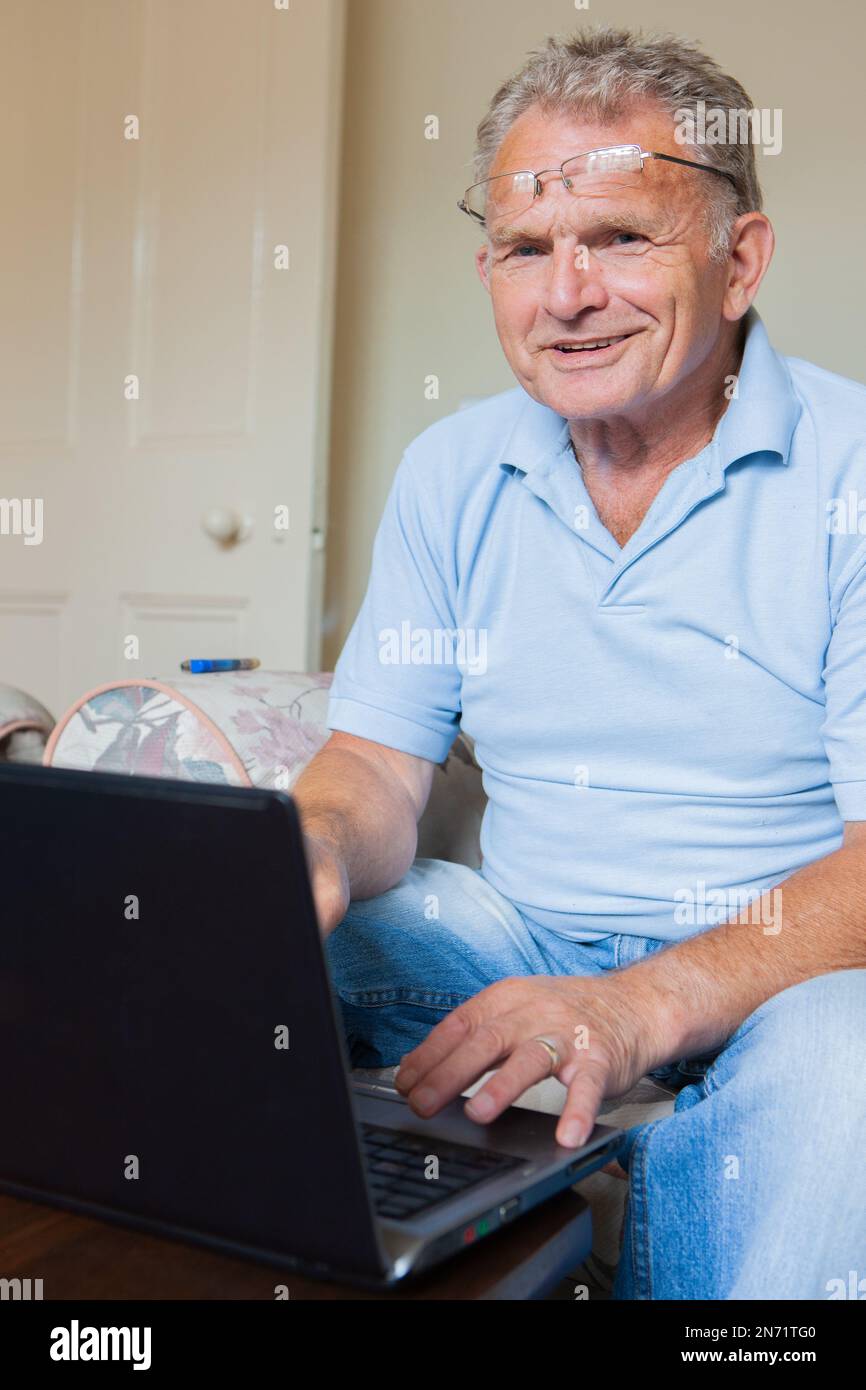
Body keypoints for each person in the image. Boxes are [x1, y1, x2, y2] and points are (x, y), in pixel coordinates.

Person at [294, 27, 866, 1298]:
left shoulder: (853, 469)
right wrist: (312, 844)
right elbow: (376, 766)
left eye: (617, 237)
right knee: (241, 943)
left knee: (853, 1061)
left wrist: (640, 1006)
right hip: (516, 941)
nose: (565, 295)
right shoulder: (451, 469)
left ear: (737, 259)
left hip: (778, 973)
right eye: (525, 249)